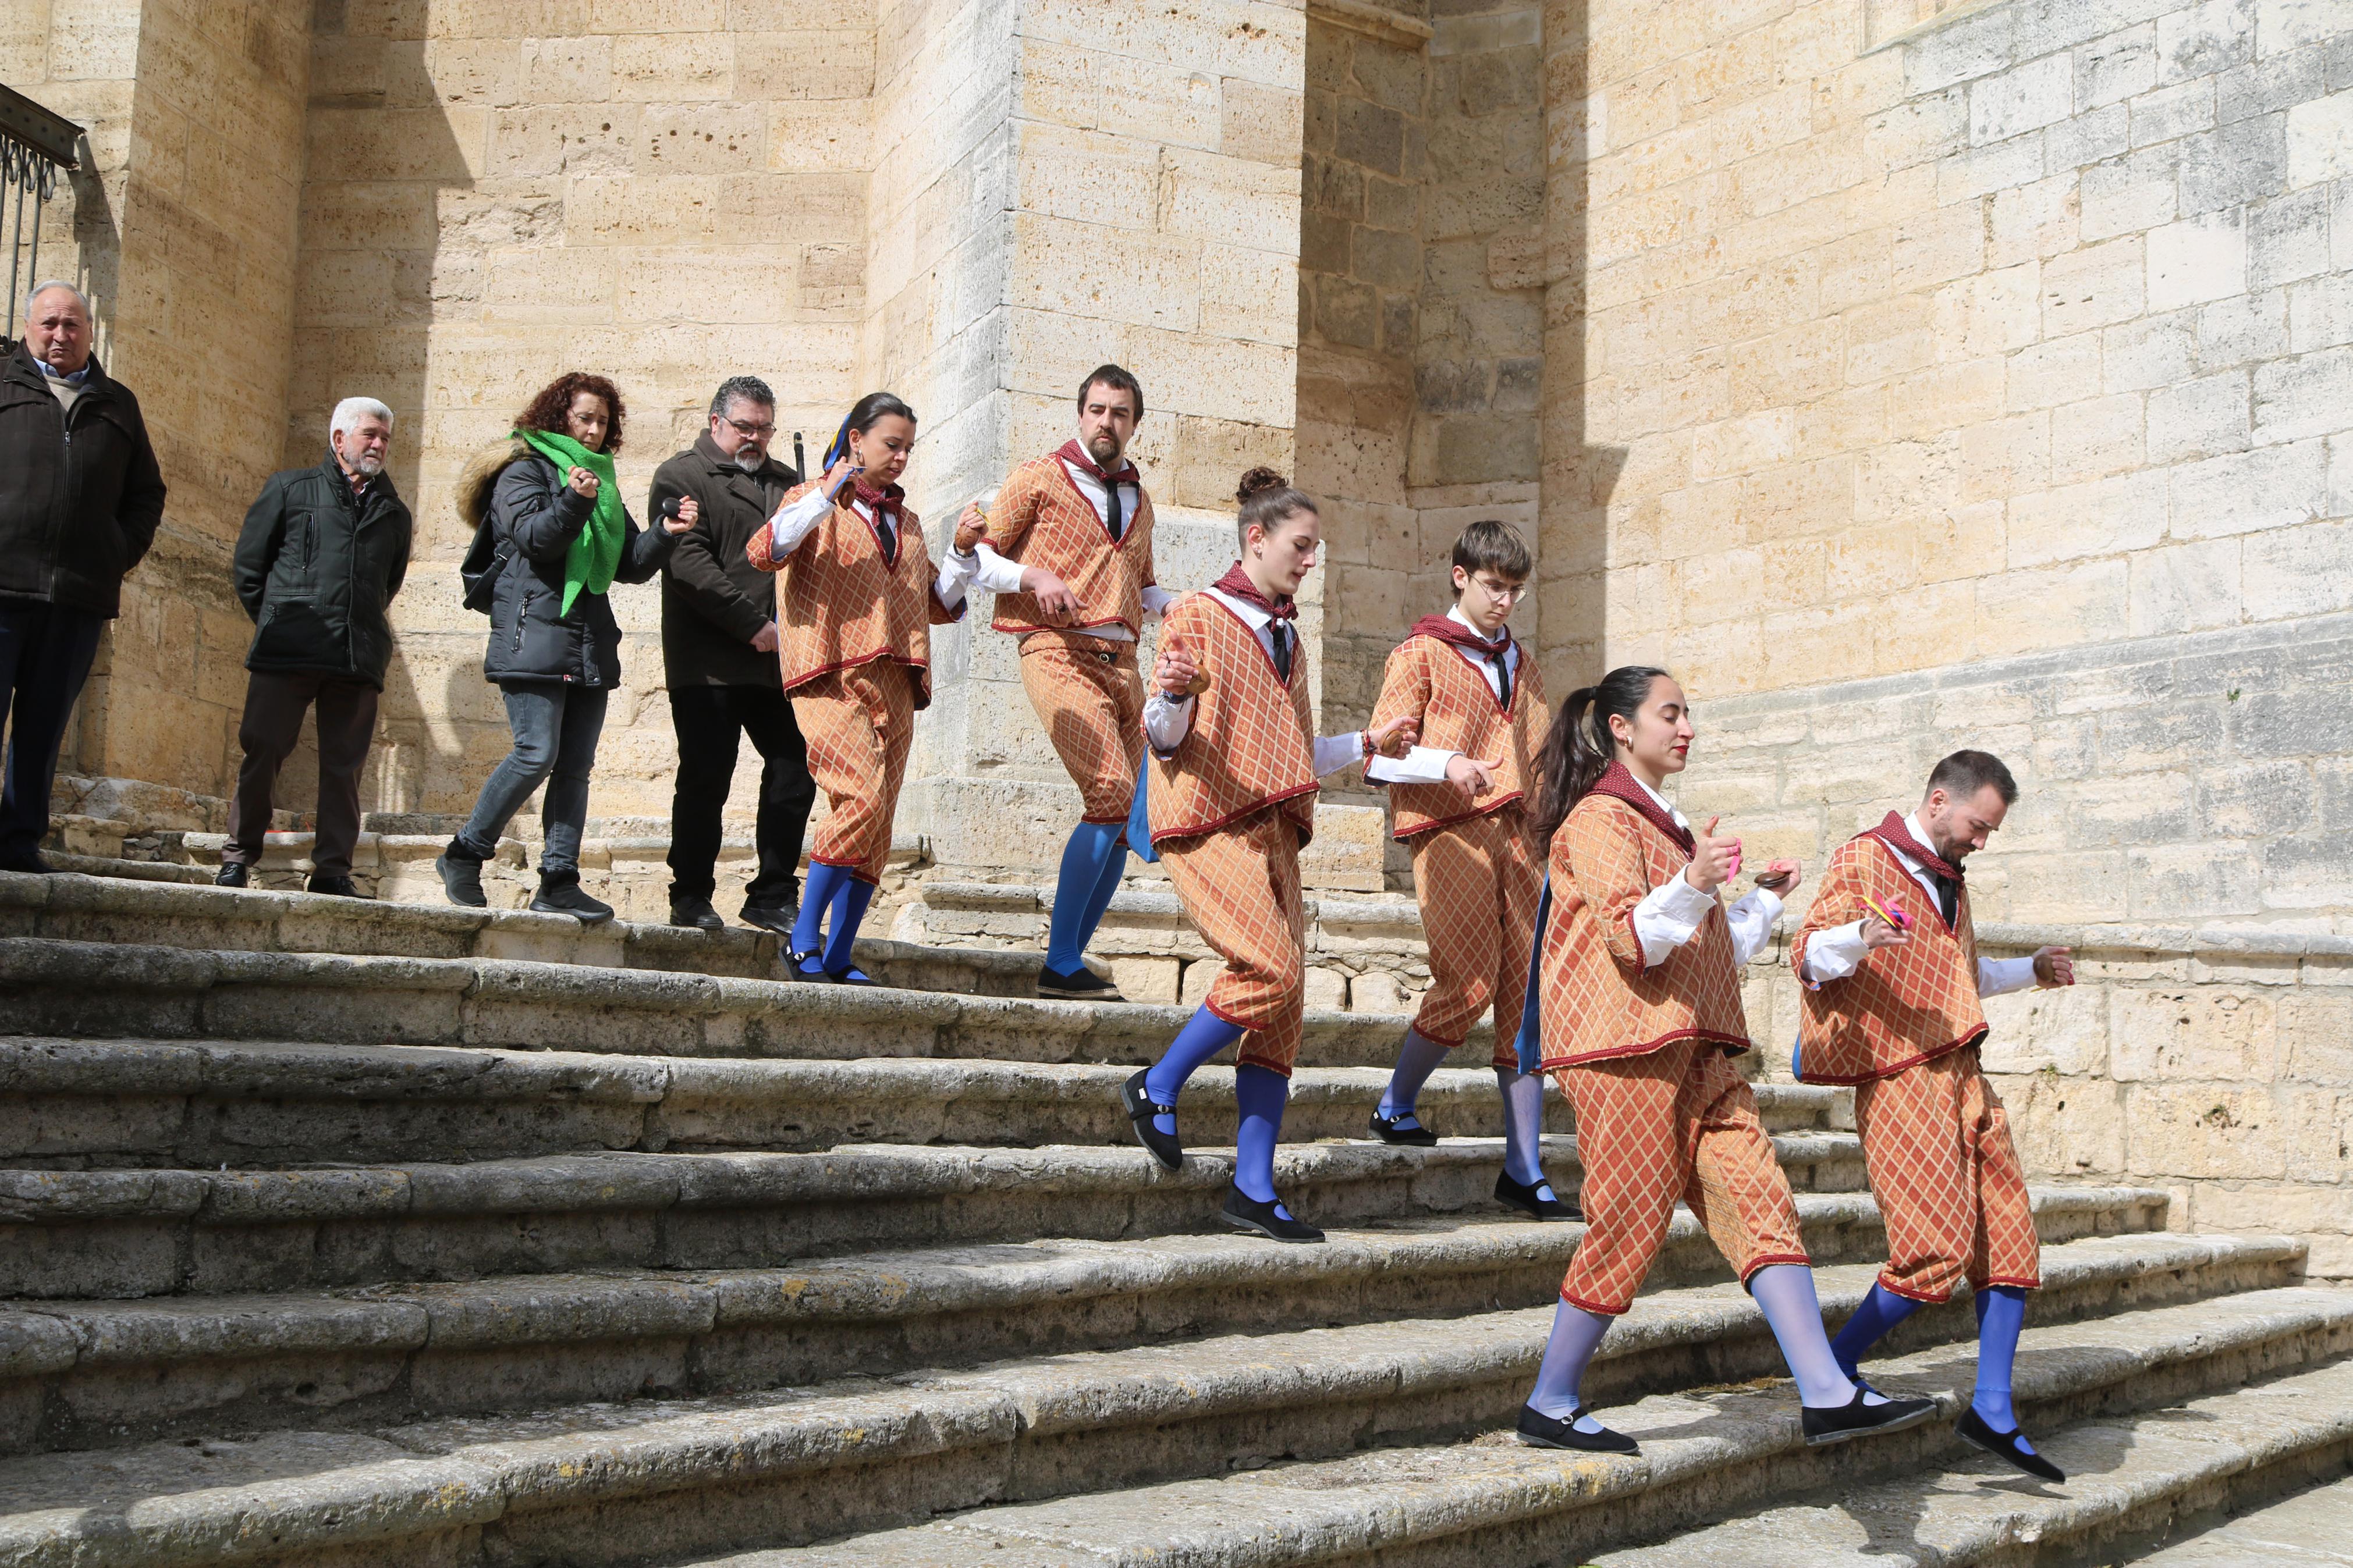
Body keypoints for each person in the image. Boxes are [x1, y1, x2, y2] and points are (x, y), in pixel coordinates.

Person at [1512, 665, 1938, 1455]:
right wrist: (1691, 879)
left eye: (1686, 714)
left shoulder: (1669, 830)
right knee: (1627, 1223)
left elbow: (1700, 951)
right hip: (1621, 1049)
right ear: (1619, 726)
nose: (1685, 728)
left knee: (1760, 1196)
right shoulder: (1598, 818)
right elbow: (1629, 938)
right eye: (1669, 713)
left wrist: (1760, 898)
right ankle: (1549, 1396)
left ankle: (1823, 1389)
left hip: (1697, 1046)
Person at [1119, 469, 1418, 1243]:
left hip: (1277, 826)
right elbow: (1161, 733)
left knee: (1283, 1009)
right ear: (1256, 539)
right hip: (1207, 819)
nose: (1309, 560)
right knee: (1270, 970)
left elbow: (1293, 749)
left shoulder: (1288, 636)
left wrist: (1367, 745)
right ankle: (1155, 1084)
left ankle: (1252, 1185)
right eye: (1301, 545)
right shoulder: (1197, 612)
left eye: (1314, 548)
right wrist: (1177, 693)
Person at [1797, 750, 2076, 1482]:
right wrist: (1857, 939)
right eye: (1977, 826)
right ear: (1937, 799)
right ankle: (1829, 1368)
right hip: (1898, 1075)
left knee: (2008, 1234)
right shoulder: (1863, 857)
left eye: (1990, 832)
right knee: (1931, 1249)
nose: (1980, 841)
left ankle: (1991, 1408)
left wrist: (2032, 971)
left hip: (1963, 1071)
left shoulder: (1951, 882)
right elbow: (1808, 954)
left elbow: (1964, 974)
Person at [1361, 520, 1567, 1219]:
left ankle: (1524, 1168)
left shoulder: (1524, 663)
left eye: (1513, 590)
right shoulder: (1418, 653)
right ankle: (1394, 1104)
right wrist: (1445, 762)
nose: (1504, 601)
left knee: (1524, 1000)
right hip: (1447, 827)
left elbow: (1538, 755)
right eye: (1491, 586)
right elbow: (1380, 754)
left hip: (1518, 836)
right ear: (1459, 576)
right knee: (1468, 981)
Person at [436, 372, 694, 922]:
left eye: (603, 421)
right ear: (559, 417)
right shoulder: (522, 472)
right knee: (536, 752)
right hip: (533, 635)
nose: (595, 430)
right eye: (585, 418)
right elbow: (534, 539)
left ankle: (559, 878)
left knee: (574, 767)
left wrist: (666, 531)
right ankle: (465, 852)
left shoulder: (598, 482)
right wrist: (574, 501)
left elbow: (628, 565)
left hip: (588, 642)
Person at [746, 392, 979, 983]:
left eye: (907, 448)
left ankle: (842, 950)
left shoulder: (909, 523)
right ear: (855, 439)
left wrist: (961, 551)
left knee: (878, 822)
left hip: (897, 677)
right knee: (860, 798)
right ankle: (804, 938)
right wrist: (826, 494)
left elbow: (939, 602)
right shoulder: (809, 500)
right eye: (889, 445)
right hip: (828, 671)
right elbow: (764, 550)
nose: (900, 458)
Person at [956, 364, 1172, 999]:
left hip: (1124, 665)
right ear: (1080, 413)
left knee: (1131, 816)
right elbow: (976, 556)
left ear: (1135, 424)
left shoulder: (1139, 497)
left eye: (1120, 413)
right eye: (1098, 410)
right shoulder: (1037, 477)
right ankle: (1059, 962)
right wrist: (1032, 578)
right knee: (1107, 790)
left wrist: (1179, 607)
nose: (1107, 422)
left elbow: (1144, 580)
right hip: (1055, 649)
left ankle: (1070, 960)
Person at [0, 282, 166, 873]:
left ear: (90, 332)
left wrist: (113, 553)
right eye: (49, 323)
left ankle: (19, 843)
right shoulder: (4, 384)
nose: (60, 335)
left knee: (44, 730)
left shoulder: (117, 403)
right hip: (3, 586)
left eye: (72, 325)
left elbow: (147, 494)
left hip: (76, 596)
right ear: (26, 328)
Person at [216, 397, 412, 897]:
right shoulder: (289, 488)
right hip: (288, 648)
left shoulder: (394, 512)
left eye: (386, 438)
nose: (379, 445)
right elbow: (249, 569)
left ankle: (332, 870)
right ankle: (238, 857)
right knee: (263, 750)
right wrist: (279, 620)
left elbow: (386, 584)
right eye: (370, 434)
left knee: (344, 769)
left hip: (356, 655)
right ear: (338, 438)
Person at [650, 375, 818, 934]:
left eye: (764, 429)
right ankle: (690, 894)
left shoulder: (787, 481)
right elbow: (688, 565)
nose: (754, 438)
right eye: (743, 427)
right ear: (715, 422)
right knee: (706, 778)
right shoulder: (681, 475)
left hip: (776, 663)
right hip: (708, 663)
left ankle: (771, 892)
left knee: (796, 769)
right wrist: (752, 626)